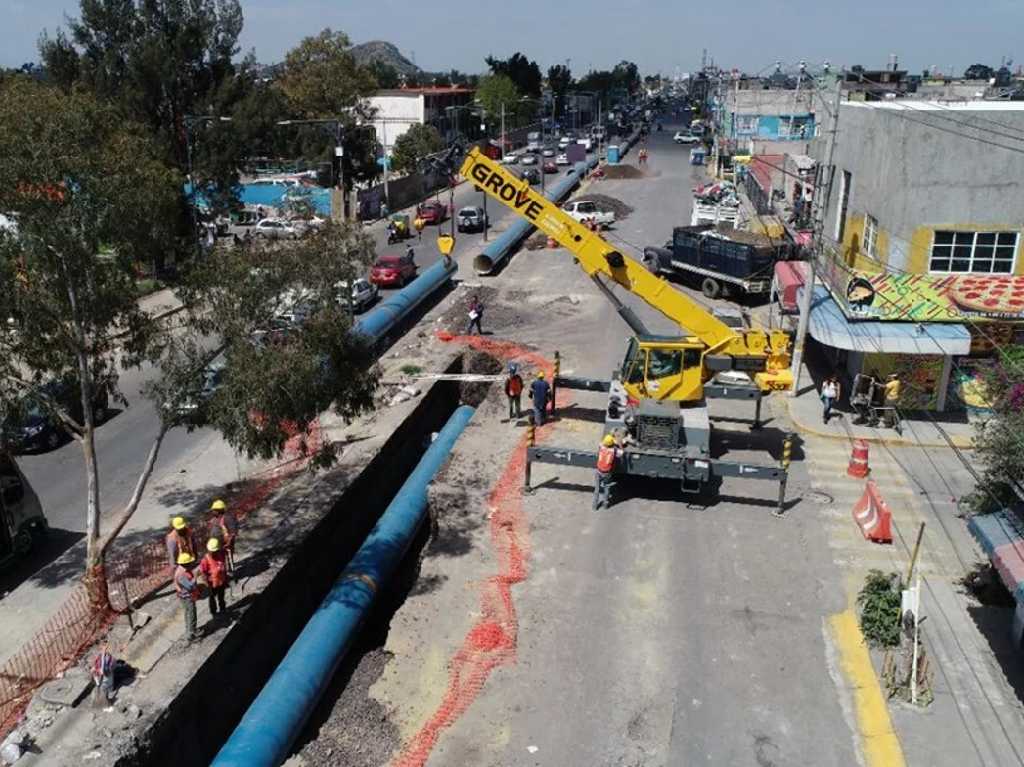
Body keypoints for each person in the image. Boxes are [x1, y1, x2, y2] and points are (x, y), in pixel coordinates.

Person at [199, 538, 230, 617]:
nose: (213, 553)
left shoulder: (221, 554)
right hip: (212, 584)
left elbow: (224, 564)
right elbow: (203, 573)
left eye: (215, 551)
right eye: (212, 551)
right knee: (212, 599)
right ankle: (214, 613)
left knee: (221, 597)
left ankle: (223, 610)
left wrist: (226, 578)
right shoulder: (205, 560)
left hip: (221, 581)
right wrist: (207, 583)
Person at [174, 552, 201, 642]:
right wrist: (196, 577)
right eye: (190, 563)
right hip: (187, 597)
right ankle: (191, 633)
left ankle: (190, 629)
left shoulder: (181, 569)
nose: (191, 564)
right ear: (185, 564)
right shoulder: (181, 574)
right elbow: (189, 586)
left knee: (187, 613)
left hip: (185, 596)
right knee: (191, 614)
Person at [593, 433, 623, 511]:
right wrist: (619, 444)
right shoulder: (614, 450)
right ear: (612, 444)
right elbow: (622, 453)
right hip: (607, 473)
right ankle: (605, 505)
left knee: (597, 488)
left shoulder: (601, 447)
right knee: (607, 487)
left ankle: (594, 506)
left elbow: (601, 442)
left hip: (598, 471)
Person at [209, 499, 238, 573]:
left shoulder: (228, 518)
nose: (212, 511)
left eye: (214, 510)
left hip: (226, 544)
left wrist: (229, 543)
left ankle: (231, 572)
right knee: (220, 559)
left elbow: (233, 532)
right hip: (217, 545)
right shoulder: (215, 519)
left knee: (229, 559)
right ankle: (223, 572)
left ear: (218, 510)